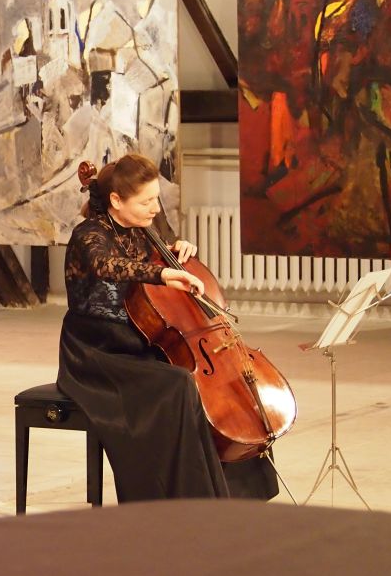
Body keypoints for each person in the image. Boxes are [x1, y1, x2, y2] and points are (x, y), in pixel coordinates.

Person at [58, 153, 278, 502]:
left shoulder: (144, 232)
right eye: (146, 201)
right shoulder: (89, 235)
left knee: (212, 385)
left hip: (137, 342)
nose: (156, 208)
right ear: (116, 200)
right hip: (96, 353)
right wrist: (162, 272)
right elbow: (108, 265)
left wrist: (175, 252)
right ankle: (178, 501)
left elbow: (154, 284)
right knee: (178, 384)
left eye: (156, 198)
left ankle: (235, 496)